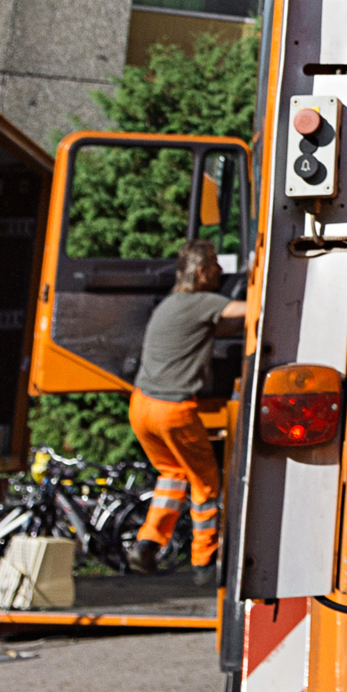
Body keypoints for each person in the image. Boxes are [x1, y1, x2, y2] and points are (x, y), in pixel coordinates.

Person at [130, 243, 246, 584]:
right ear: (201, 273)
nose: (221, 272)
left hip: (141, 406)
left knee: (172, 473)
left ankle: (148, 541)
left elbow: (217, 328)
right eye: (215, 266)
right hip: (174, 410)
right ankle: (203, 562)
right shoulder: (202, 302)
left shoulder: (171, 305)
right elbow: (255, 308)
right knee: (206, 482)